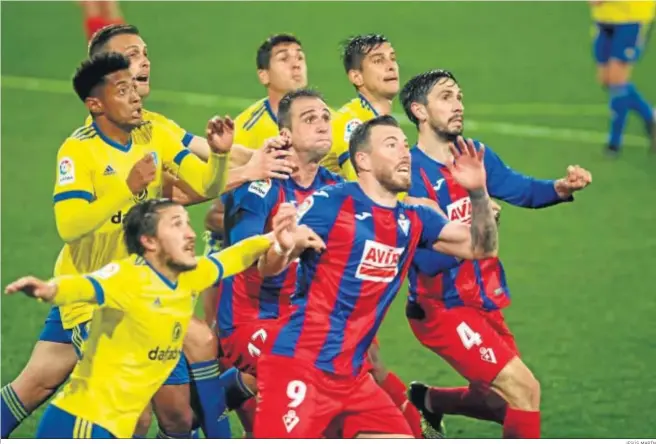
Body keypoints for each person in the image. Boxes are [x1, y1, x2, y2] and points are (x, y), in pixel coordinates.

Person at [0, 53, 232, 439]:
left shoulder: (153, 133)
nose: (136, 97)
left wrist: (220, 155)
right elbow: (69, 226)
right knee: (133, 414)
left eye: (133, 88)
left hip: (142, 294)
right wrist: (128, 188)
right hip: (93, 296)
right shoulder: (78, 151)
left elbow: (207, 186)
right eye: (122, 90)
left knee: (176, 415)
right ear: (96, 104)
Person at [252, 115, 499, 438]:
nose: (405, 154)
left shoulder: (415, 218)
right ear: (363, 160)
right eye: (391, 144)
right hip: (301, 366)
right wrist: (284, 247)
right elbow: (267, 268)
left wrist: (478, 193)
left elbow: (482, 248)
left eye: (406, 146)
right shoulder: (332, 202)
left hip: (353, 379)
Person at [398, 69, 592, 439]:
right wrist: (475, 232)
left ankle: (428, 401)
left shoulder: (474, 154)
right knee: (525, 391)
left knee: (504, 405)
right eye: (446, 97)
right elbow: (422, 261)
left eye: (459, 96)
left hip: (482, 301)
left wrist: (562, 187)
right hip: (441, 308)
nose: (458, 105)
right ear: (419, 111)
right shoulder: (410, 174)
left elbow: (522, 189)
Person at [3, 198, 299, 438]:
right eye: (176, 224)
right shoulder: (128, 276)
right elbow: (88, 285)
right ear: (149, 242)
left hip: (111, 428)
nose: (191, 232)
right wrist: (49, 289)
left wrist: (272, 238)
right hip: (84, 425)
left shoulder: (188, 276)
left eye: (187, 222)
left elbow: (232, 257)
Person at [217, 89, 340, 435]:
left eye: (325, 117)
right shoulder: (263, 183)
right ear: (285, 134)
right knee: (303, 367)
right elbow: (244, 256)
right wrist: (283, 244)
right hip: (250, 318)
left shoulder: (336, 188)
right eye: (309, 119)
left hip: (302, 319)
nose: (322, 125)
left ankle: (215, 395)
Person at [322, 34, 399, 180]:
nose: (391, 66)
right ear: (357, 77)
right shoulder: (351, 122)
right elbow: (363, 185)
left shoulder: (379, 121)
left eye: (392, 58)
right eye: (378, 60)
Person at [589, 0, 655, 155]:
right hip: (604, 18)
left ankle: (614, 142)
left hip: (631, 17)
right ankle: (650, 117)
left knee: (617, 81)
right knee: (606, 80)